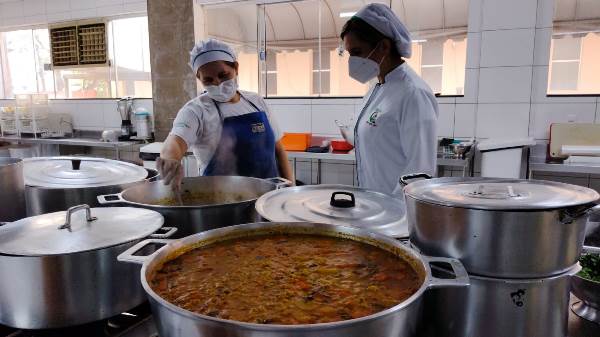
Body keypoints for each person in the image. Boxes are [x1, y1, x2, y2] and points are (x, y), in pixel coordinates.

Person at [157, 39, 293, 189]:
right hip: (222, 202)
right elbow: (175, 141)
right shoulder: (196, 110)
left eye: (223, 75)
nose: (217, 83)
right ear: (199, 79)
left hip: (267, 200)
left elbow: (278, 150)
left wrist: (290, 190)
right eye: (208, 80)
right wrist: (170, 159)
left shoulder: (256, 102)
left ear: (236, 68)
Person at [341, 3, 438, 196]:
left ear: (384, 47)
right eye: (349, 54)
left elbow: (419, 173)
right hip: (373, 208)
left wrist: (392, 214)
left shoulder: (413, 93)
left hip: (395, 216)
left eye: (357, 52)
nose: (352, 61)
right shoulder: (377, 88)